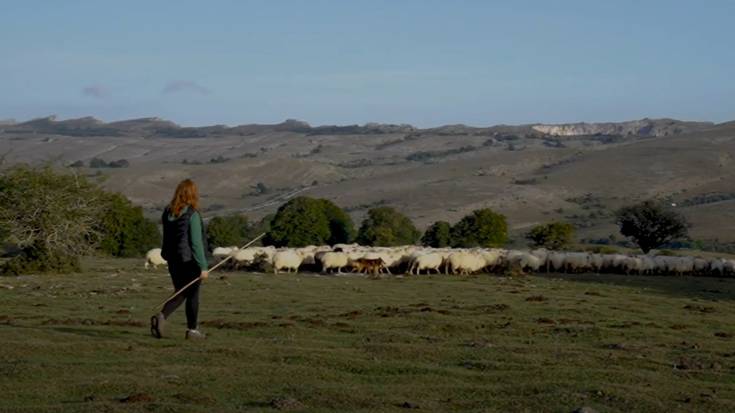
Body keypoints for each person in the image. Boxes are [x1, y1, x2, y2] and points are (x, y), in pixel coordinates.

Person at [150, 179, 209, 340]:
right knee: (193, 295)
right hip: (189, 262)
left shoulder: (168, 212)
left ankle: (162, 317)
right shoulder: (192, 214)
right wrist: (203, 266)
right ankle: (192, 331)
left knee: (181, 292)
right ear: (192, 194)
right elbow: (196, 243)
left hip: (173, 261)